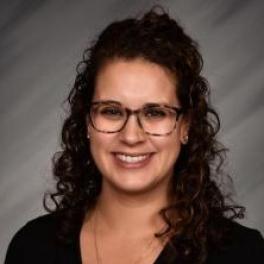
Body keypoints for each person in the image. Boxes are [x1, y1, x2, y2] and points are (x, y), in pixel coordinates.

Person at [5, 7, 264, 264]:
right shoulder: (32, 247)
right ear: (87, 122)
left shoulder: (242, 255)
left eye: (154, 113)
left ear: (185, 126)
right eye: (112, 111)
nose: (131, 136)